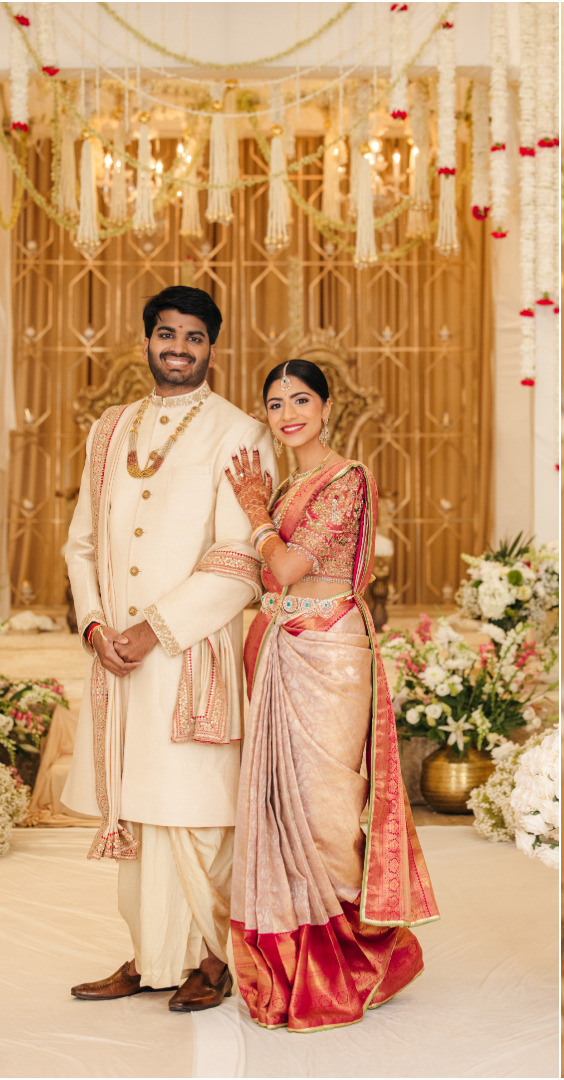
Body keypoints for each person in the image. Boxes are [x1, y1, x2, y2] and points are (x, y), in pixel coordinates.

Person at [64, 285, 274, 1012]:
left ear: (211, 347)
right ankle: (152, 956)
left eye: (193, 337)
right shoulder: (109, 429)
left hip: (189, 653)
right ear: (148, 340)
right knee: (140, 806)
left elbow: (240, 559)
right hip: (116, 658)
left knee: (195, 804)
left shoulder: (241, 431)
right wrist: (96, 627)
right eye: (166, 334)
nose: (178, 348)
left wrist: (152, 629)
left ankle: (211, 959)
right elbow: (81, 544)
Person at [221, 359, 438, 1031]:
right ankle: (293, 962)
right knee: (277, 807)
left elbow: (287, 565)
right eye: (275, 402)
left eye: (300, 400)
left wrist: (255, 515)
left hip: (329, 653)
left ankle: (351, 956)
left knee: (327, 812)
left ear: (326, 406)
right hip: (280, 645)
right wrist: (264, 513)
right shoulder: (287, 486)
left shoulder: (347, 478)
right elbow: (271, 577)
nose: (288, 413)